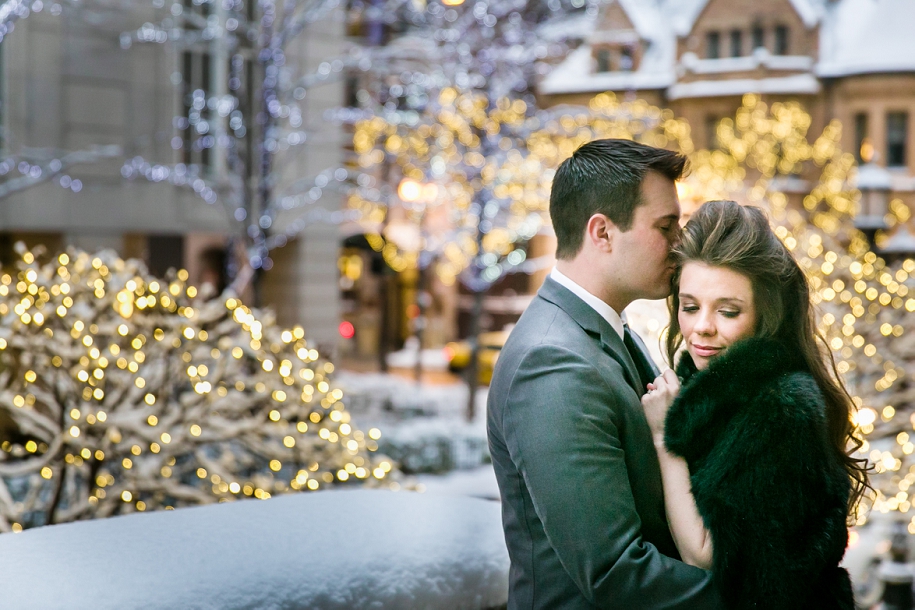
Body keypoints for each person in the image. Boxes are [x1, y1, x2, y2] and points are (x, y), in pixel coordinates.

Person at [487, 139, 723, 608]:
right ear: (602, 233)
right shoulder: (552, 363)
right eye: (665, 225)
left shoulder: (601, 327)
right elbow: (616, 572)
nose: (680, 243)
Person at [642, 200, 869, 609]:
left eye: (728, 311)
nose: (701, 327)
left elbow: (704, 553)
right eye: (690, 306)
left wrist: (663, 435)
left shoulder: (780, 408)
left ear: (765, 315)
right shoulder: (713, 388)